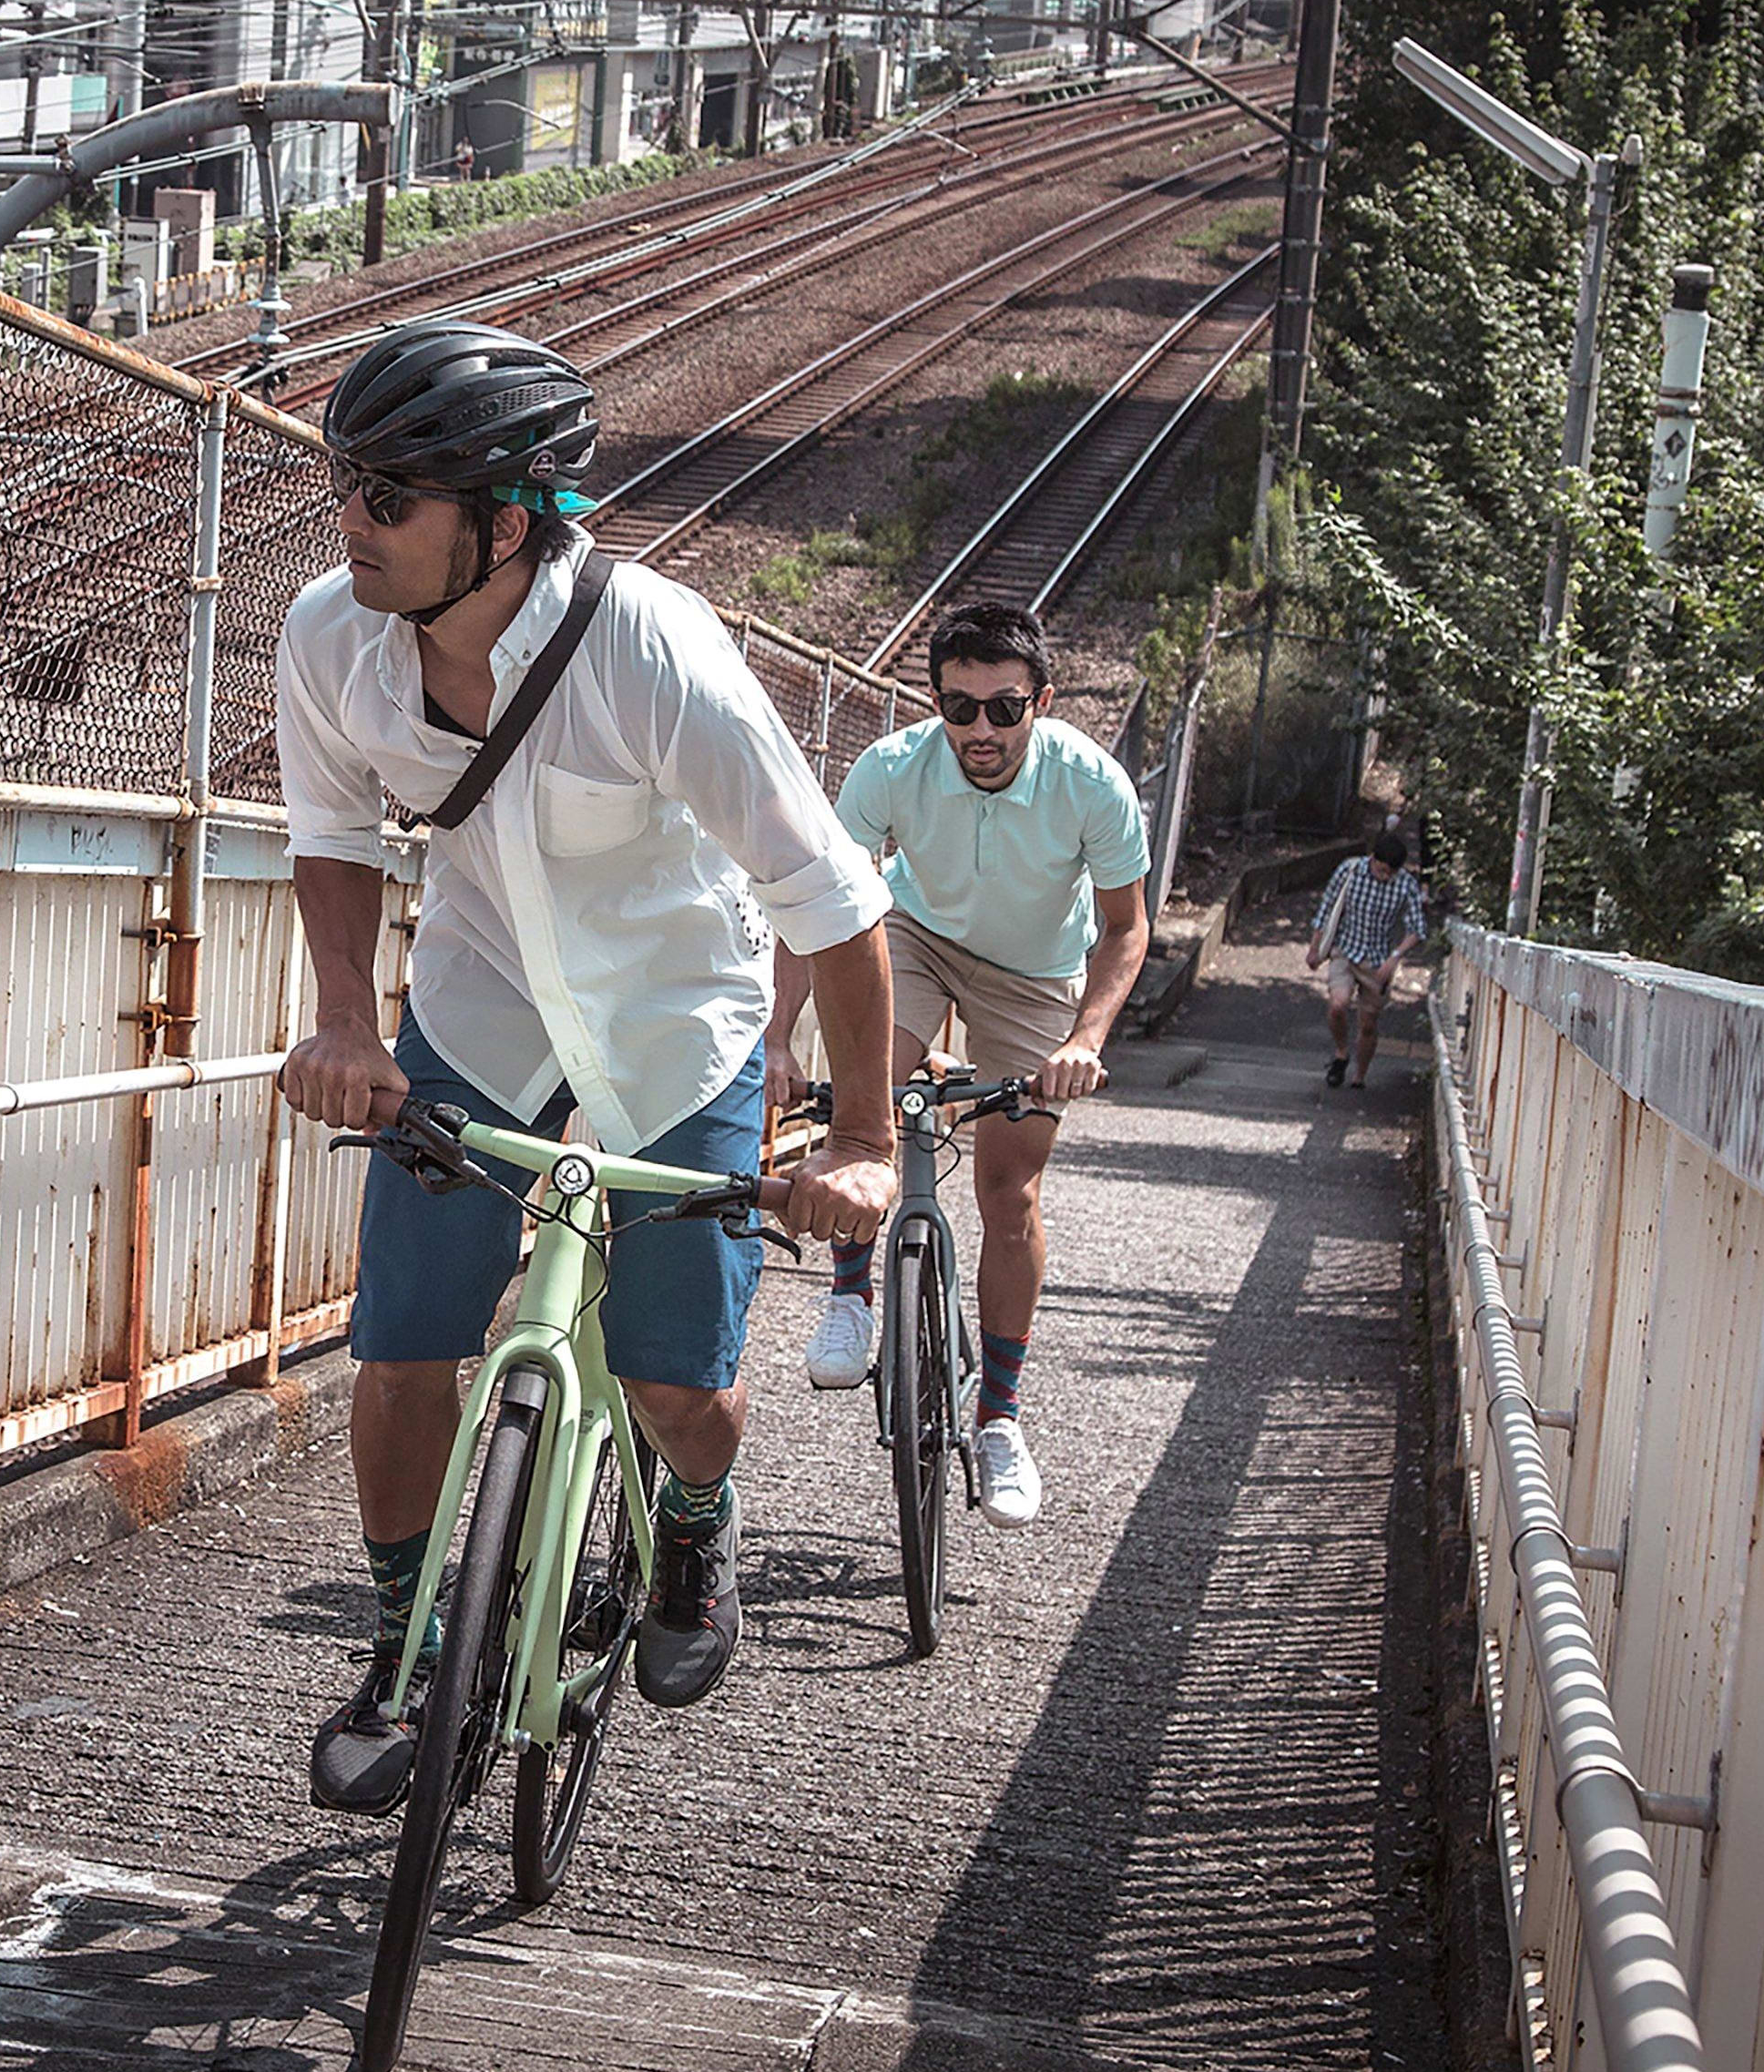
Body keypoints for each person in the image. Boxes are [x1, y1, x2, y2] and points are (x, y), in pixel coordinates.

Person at [275, 320, 902, 1814]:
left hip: (676, 1024)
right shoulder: (331, 638)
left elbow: (835, 903)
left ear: (505, 525)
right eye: (345, 484)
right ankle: (406, 1644)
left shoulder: (652, 649)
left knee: (679, 1383)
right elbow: (333, 833)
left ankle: (694, 1519)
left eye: (389, 496)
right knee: (401, 1350)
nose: (351, 519)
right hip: (482, 1005)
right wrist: (348, 1019)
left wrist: (866, 1139)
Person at [769, 601, 1150, 1528]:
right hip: (912, 935)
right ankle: (851, 1295)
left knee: (1007, 1191)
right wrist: (777, 1035)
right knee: (867, 1104)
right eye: (959, 707)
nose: (982, 728)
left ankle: (1000, 1418)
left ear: (1042, 702)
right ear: (934, 702)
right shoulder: (891, 768)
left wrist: (1084, 1041)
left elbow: (1124, 928)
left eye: (1004, 709)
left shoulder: (1093, 785)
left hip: (1034, 973)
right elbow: (818, 901)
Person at [1307, 822, 1427, 1089]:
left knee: (1369, 1023)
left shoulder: (1405, 885)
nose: (1385, 877)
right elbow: (1326, 909)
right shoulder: (1350, 871)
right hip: (1345, 950)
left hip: (1377, 960)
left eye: (1391, 873)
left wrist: (1395, 957)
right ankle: (1341, 1053)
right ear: (1373, 859)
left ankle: (1360, 1075)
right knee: (1338, 1004)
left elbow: (1417, 929)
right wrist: (1315, 948)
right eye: (1382, 870)